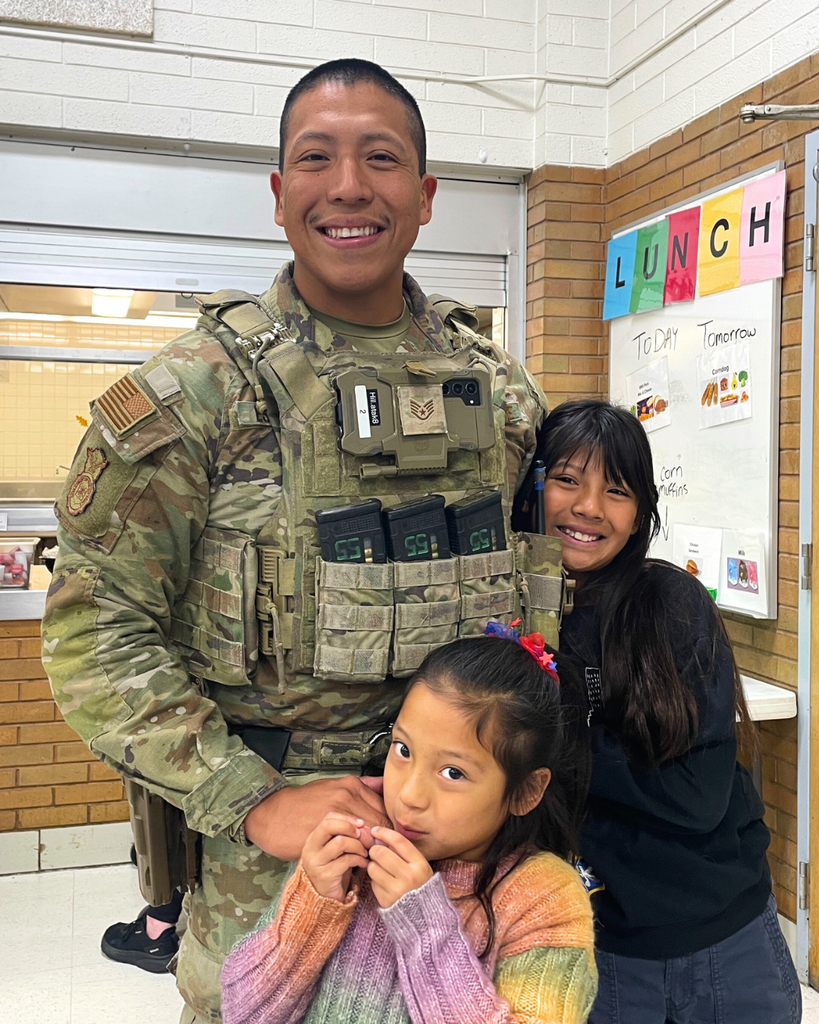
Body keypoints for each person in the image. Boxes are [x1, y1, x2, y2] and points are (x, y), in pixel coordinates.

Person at [41, 58, 550, 1021]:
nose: (349, 186)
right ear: (279, 195)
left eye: (382, 158)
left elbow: (536, 600)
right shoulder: (194, 395)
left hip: (466, 876)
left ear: (427, 194)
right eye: (316, 158)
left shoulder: (496, 391)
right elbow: (93, 636)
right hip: (270, 882)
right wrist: (250, 798)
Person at [512, 399, 801, 1024]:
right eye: (566, 480)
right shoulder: (505, 612)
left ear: (641, 509)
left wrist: (551, 735)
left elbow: (694, 796)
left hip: (727, 943)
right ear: (532, 488)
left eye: (615, 490)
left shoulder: (669, 604)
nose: (588, 507)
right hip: (597, 951)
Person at [220, 634, 597, 1024]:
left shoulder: (544, 899)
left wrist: (424, 924)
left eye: (453, 772)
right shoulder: (351, 854)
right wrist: (312, 903)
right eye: (402, 750)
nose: (410, 795)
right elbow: (243, 1014)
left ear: (526, 790)